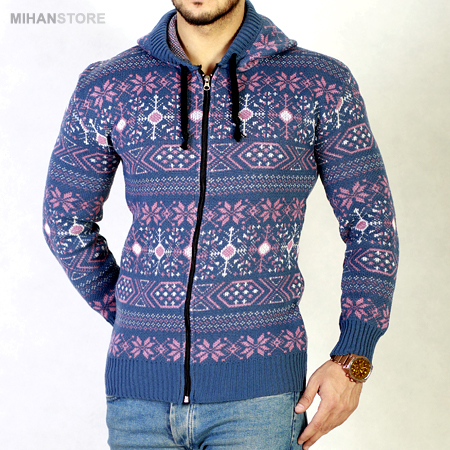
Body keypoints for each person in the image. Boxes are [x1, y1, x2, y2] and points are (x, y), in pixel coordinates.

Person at [43, 0, 399, 448]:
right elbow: (64, 220)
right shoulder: (109, 85)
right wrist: (134, 313)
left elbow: (372, 225)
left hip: (260, 402)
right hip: (139, 404)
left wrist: (354, 359)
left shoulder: (320, 83)